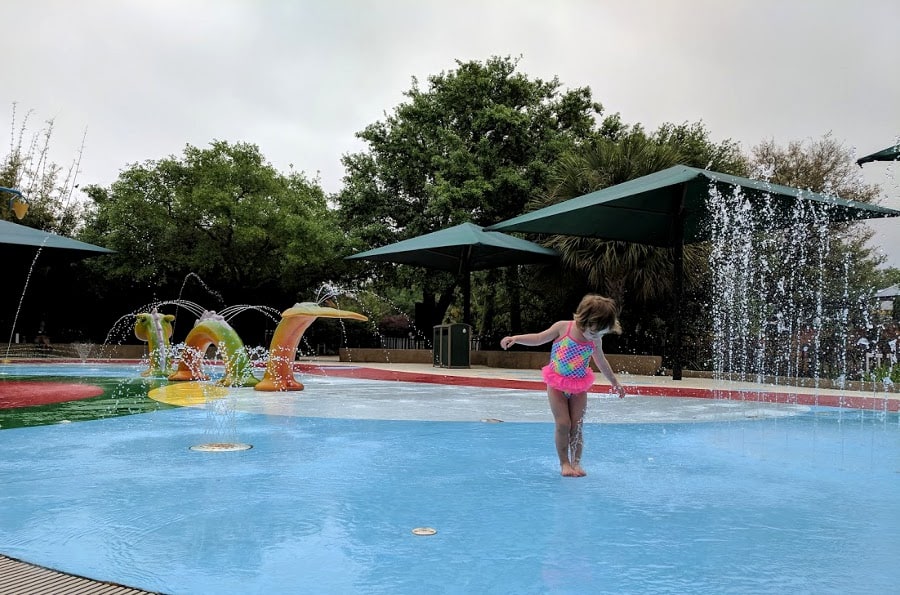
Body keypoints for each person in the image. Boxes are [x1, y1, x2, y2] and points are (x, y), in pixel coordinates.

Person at [500, 294, 626, 477]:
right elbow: (538, 338)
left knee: (577, 425)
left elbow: (600, 361)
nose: (596, 337)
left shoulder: (595, 339)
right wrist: (516, 338)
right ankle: (564, 463)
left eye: (601, 334)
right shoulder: (562, 328)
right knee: (563, 424)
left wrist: (615, 382)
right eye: (593, 332)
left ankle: (576, 462)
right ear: (583, 320)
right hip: (557, 384)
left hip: (579, 386)